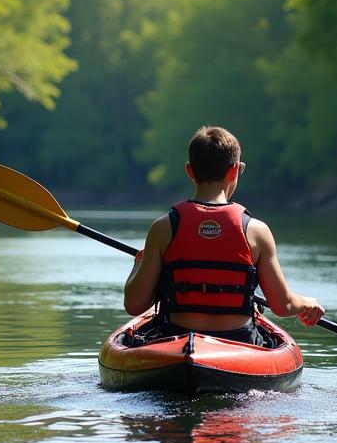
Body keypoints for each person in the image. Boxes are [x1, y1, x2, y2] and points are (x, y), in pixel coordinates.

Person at [124, 126, 323, 346]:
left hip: (176, 337)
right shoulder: (257, 230)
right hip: (240, 341)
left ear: (190, 171)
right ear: (234, 170)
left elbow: (134, 305)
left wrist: (138, 266)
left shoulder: (163, 227)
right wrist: (307, 302)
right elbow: (282, 306)